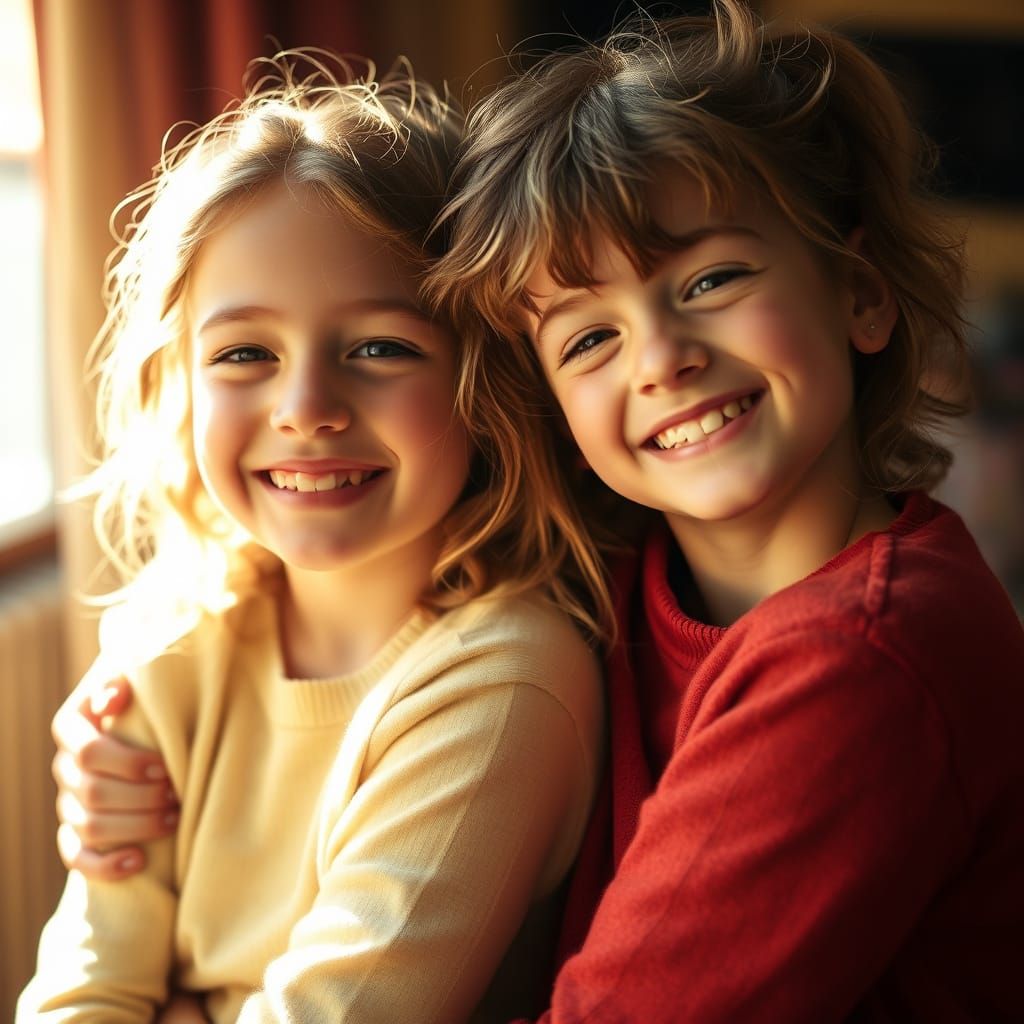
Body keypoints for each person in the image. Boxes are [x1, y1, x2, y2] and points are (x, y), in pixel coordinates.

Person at [51, 3, 1024, 1021]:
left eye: (713, 278)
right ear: (538, 395)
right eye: (588, 338)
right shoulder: (619, 570)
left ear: (860, 293)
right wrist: (113, 733)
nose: (660, 358)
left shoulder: (862, 658)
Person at [20, 52, 608, 1024]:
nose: (306, 409)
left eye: (380, 347)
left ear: (487, 382)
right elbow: (81, 991)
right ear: (178, 386)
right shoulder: (170, 647)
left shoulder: (506, 680)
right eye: (245, 353)